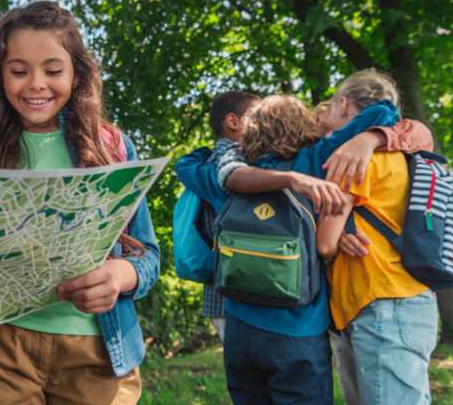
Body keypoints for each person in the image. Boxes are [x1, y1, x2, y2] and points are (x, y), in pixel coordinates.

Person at [0, 0, 159, 404]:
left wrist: (118, 276)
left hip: (98, 350)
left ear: (76, 72)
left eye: (53, 69)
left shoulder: (112, 148)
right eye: (19, 71)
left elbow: (148, 257)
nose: (36, 84)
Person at [177, 84, 432, 404]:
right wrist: (370, 138)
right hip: (297, 333)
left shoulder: (223, 179)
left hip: (240, 332)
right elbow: (382, 110)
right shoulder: (316, 163)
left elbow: (185, 164)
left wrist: (223, 149)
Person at [315, 70, 437, 405]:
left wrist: (334, 236)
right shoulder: (405, 156)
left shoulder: (353, 159)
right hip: (398, 299)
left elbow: (323, 243)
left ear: (343, 103)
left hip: (380, 303)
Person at [176, 90, 260, 341]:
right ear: (234, 122)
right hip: (237, 292)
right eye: (258, 117)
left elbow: (185, 164)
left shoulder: (202, 163)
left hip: (223, 291)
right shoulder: (227, 163)